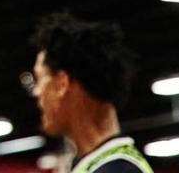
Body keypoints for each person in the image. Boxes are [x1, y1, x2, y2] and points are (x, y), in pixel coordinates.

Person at [25, 12, 153, 173]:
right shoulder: (98, 164)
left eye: (39, 79)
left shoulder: (119, 169)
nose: (36, 92)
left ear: (62, 84)